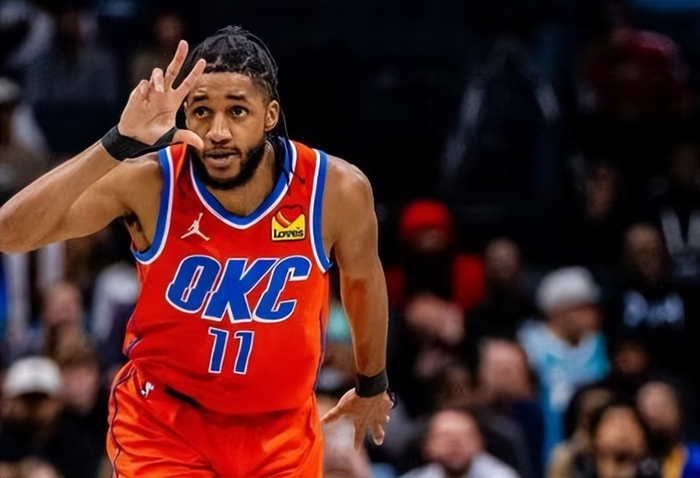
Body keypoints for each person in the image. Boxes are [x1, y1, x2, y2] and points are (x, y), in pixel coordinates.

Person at [0, 25, 394, 477]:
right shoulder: (150, 182)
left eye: (237, 110)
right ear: (184, 113)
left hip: (280, 428)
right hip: (164, 423)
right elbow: (9, 233)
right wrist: (117, 143)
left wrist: (373, 382)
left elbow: (362, 281)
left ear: (270, 115)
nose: (218, 130)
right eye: (202, 110)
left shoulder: (334, 190)